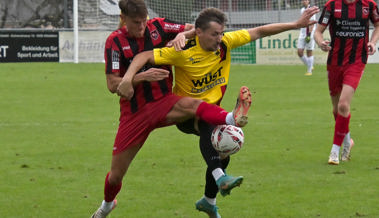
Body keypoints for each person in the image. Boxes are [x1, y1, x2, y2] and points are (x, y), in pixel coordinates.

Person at [118, 6, 320, 217]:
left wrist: (296, 25)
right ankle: (223, 168)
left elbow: (260, 31)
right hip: (185, 113)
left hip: (213, 111)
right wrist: (127, 78)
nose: (219, 38)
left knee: (224, 149)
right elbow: (143, 56)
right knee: (212, 129)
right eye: (214, 34)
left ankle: (209, 200)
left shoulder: (225, 43)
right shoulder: (183, 51)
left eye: (221, 33)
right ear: (199, 33)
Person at [91, 1, 252, 217]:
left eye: (144, 21)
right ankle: (106, 206)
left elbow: (194, 29)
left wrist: (183, 36)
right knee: (116, 176)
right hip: (135, 113)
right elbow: (113, 85)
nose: (141, 27)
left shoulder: (159, 26)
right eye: (136, 23)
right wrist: (139, 78)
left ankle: (232, 119)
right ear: (123, 18)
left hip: (165, 102)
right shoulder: (115, 42)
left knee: (196, 106)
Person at [314, 0, 379, 165]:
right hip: (335, 62)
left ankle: (335, 151)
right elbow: (318, 31)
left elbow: (378, 25)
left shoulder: (369, 5)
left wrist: (372, 42)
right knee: (336, 110)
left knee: (343, 105)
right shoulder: (331, 5)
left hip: (357, 61)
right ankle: (348, 140)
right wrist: (320, 42)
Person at [297, 0, 317, 75]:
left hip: (310, 33)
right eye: (303, 0)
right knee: (299, 52)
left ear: (308, 1)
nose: (304, 1)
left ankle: (309, 71)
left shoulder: (311, 10)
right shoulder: (302, 10)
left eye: (305, 0)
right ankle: (310, 65)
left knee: (309, 51)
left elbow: (312, 23)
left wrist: (309, 34)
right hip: (302, 33)